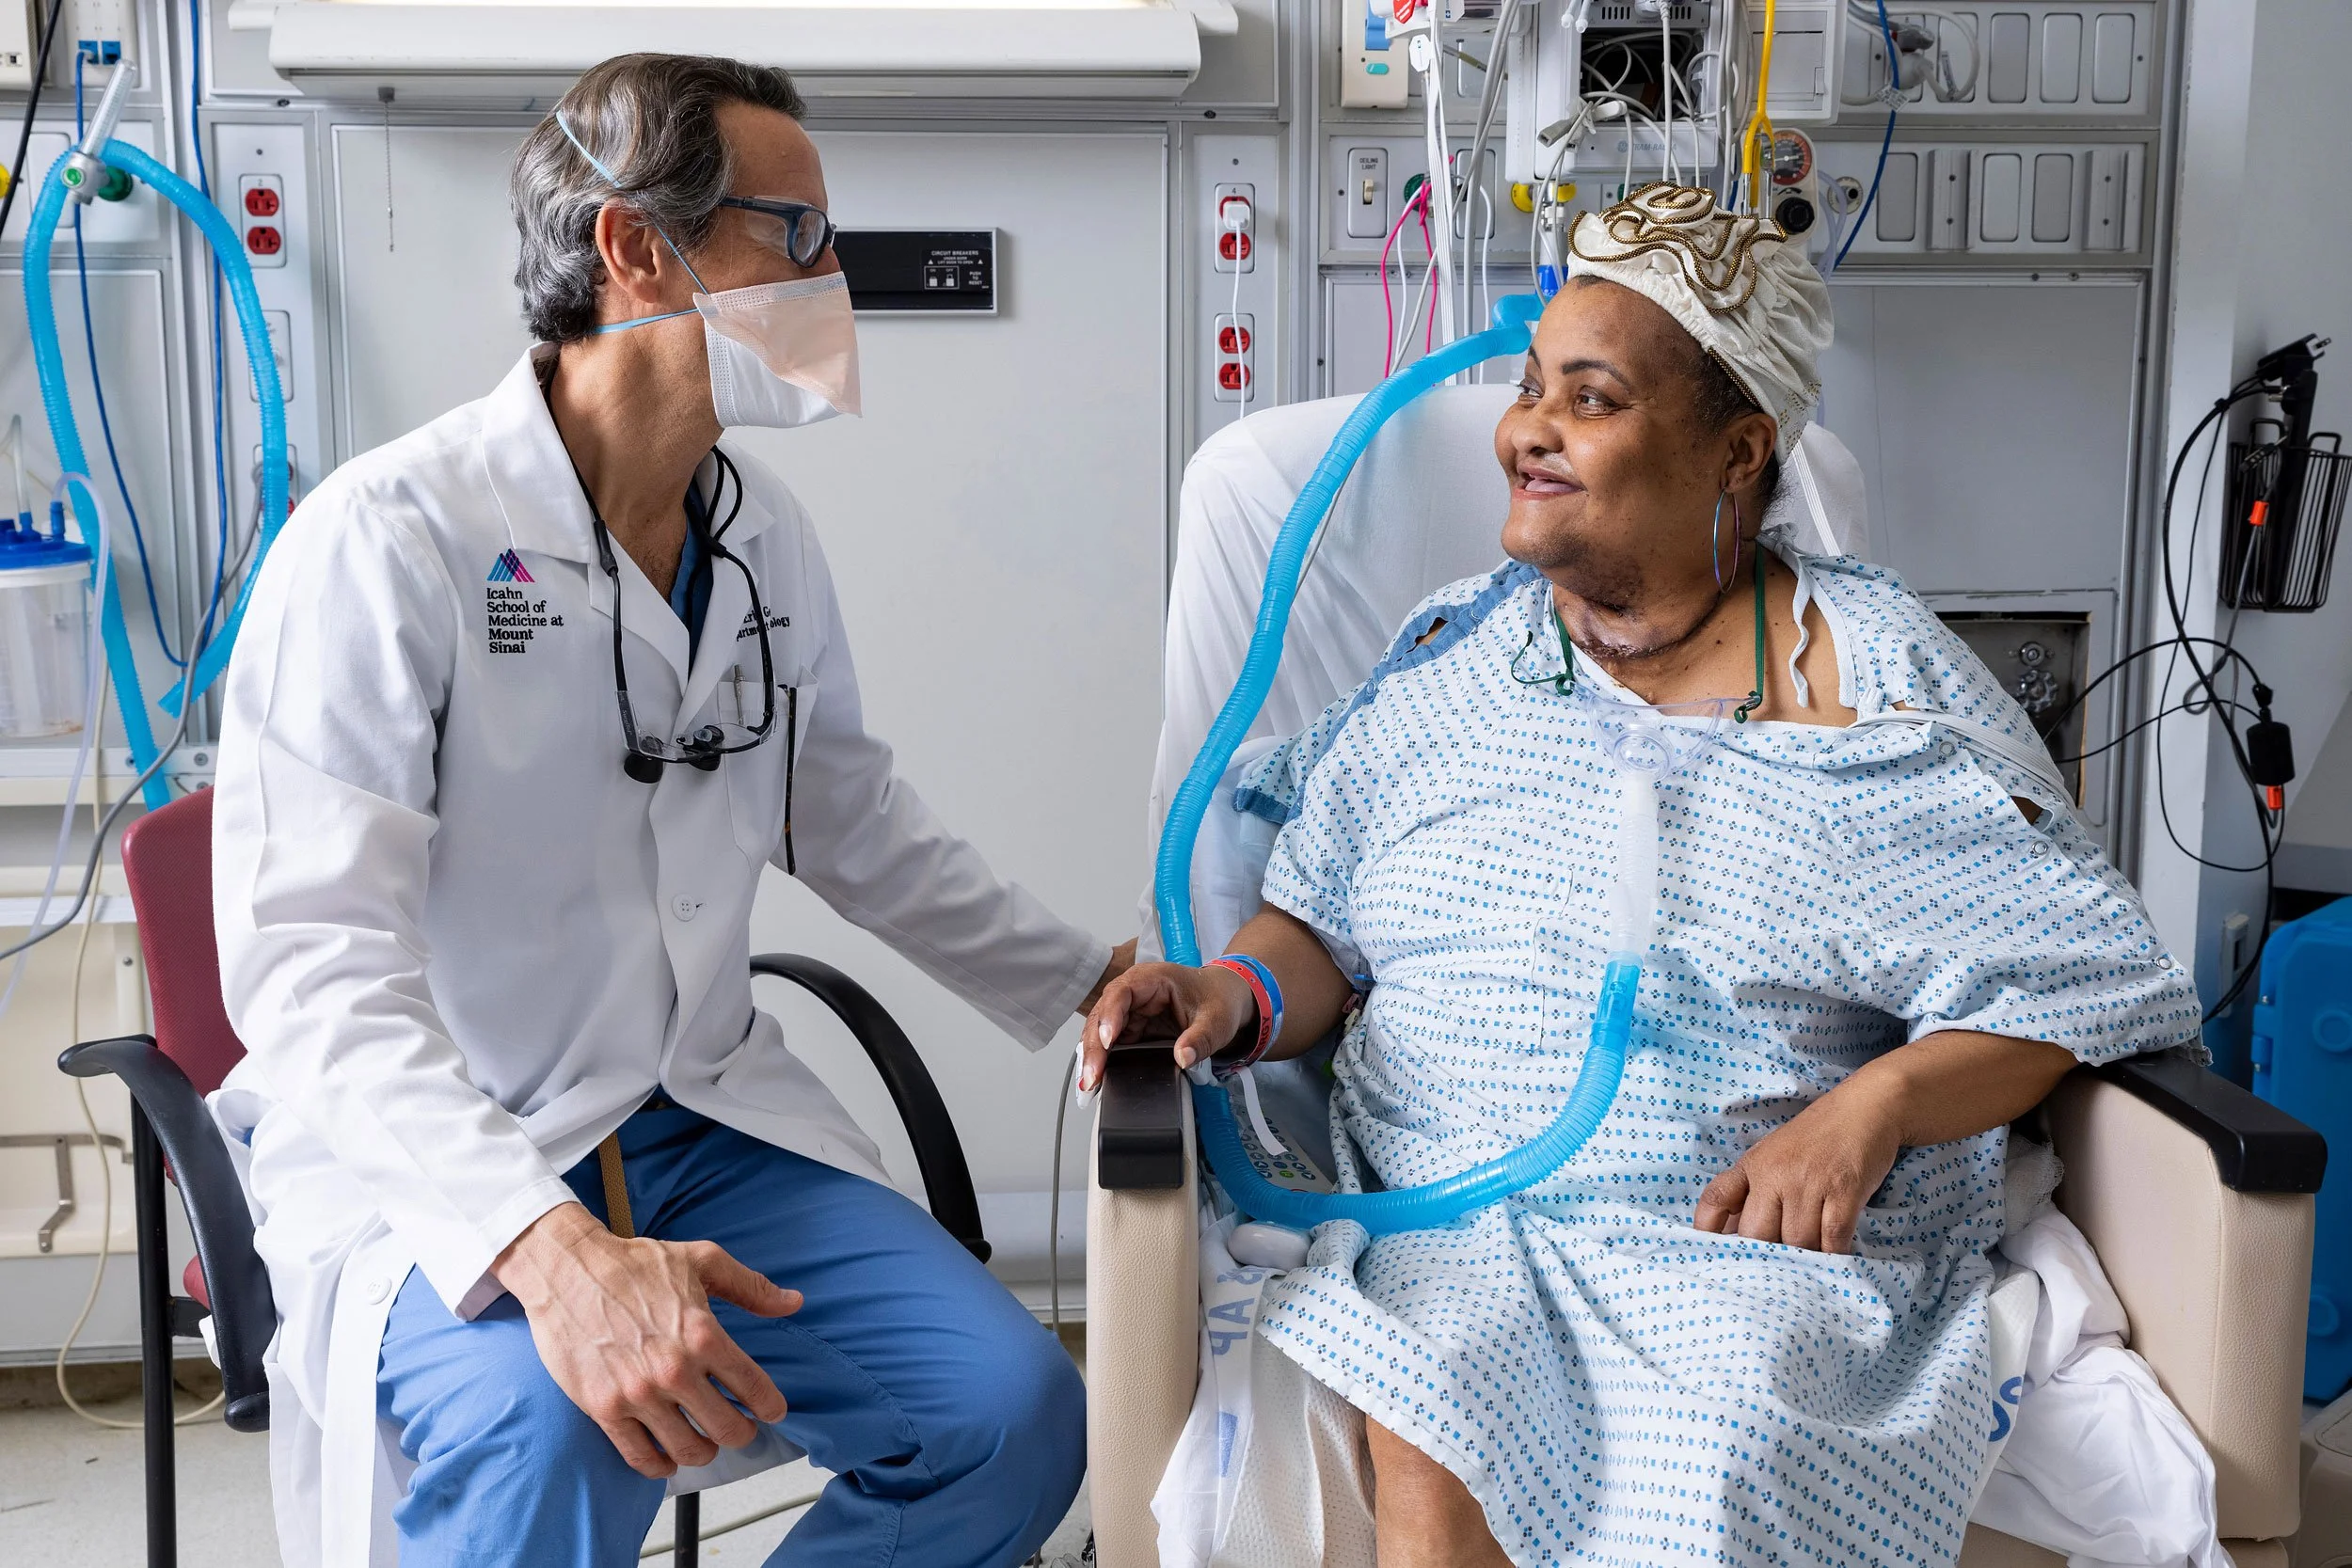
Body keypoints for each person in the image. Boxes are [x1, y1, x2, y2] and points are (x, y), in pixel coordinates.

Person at [1084, 184, 2199, 1566]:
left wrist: (1875, 1106)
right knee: (1437, 1388)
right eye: (1532, 385)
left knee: (1729, 1437)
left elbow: (2077, 975)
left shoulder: (1873, 691)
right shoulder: (1458, 669)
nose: (1527, 428)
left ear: (1738, 451)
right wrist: (1227, 994)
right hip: (1460, 1217)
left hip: (1738, 1243)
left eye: (1592, 398)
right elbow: (1317, 922)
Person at [210, 53, 1126, 1568]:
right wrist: (547, 1249)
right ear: (638, 246)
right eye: (796, 236)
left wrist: (1086, 977)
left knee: (1013, 1416)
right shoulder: (387, 545)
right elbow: (312, 974)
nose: (833, 279)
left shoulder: (759, 536)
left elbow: (851, 817)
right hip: (450, 1155)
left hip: (698, 1118)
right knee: (562, 1426)